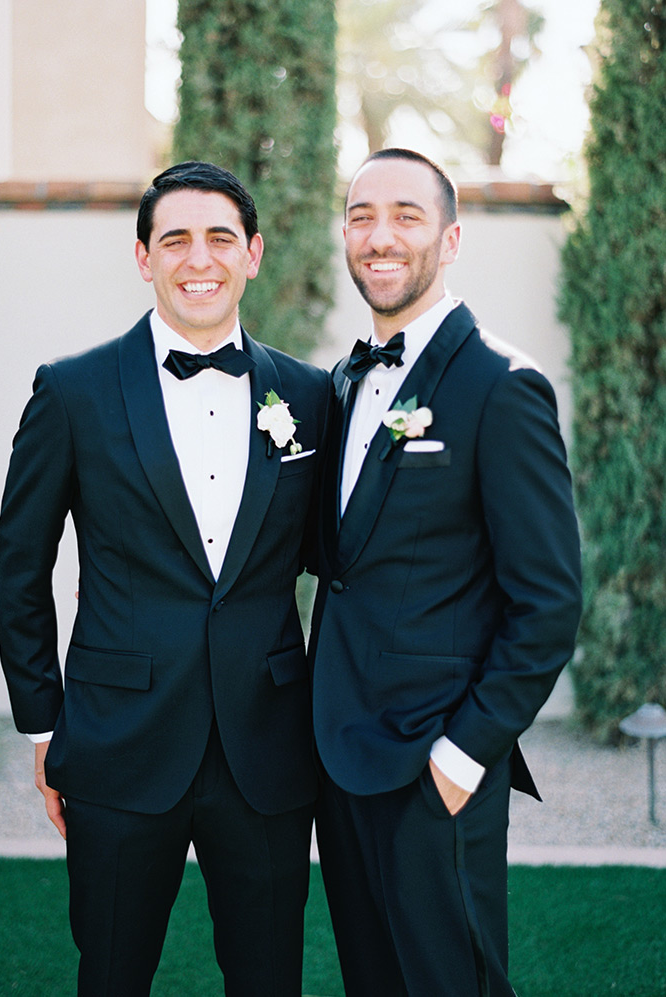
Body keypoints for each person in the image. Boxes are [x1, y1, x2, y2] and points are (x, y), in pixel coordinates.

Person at [0, 160, 331, 997]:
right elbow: (18, 564)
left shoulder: (313, 396)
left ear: (253, 253)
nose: (199, 258)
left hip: (268, 749)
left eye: (220, 237)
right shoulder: (72, 391)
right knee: (111, 975)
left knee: (269, 982)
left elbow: (348, 565)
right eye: (174, 239)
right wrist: (44, 727)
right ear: (143, 258)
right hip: (116, 743)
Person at [310, 148, 582, 996]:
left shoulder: (503, 386)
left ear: (451, 238)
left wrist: (463, 756)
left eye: (406, 216)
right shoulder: (343, 382)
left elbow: (547, 602)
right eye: (361, 218)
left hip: (435, 761)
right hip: (339, 757)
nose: (379, 237)